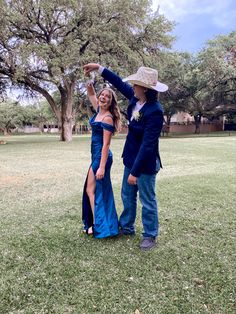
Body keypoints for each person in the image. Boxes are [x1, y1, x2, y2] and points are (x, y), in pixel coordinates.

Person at [83, 63, 168, 250]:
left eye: (136, 84)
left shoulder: (155, 110)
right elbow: (118, 83)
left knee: (147, 199)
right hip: (130, 157)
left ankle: (150, 235)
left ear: (145, 89)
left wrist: (135, 172)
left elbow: (148, 145)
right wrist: (99, 68)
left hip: (145, 163)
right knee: (127, 195)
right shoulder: (134, 98)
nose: (133, 86)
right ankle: (127, 226)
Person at [82, 78, 121, 238]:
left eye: (108, 97)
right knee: (96, 190)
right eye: (102, 95)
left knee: (91, 190)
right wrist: (89, 83)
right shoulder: (99, 110)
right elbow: (91, 93)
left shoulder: (107, 118)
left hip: (101, 157)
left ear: (111, 102)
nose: (104, 97)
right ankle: (99, 224)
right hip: (96, 157)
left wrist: (102, 167)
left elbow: (106, 145)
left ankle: (99, 225)